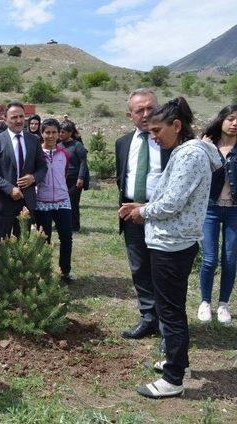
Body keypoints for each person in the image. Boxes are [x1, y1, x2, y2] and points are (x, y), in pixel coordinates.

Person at [120, 97, 222, 399]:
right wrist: (145, 205)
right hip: (174, 241)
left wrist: (143, 212)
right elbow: (173, 197)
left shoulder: (189, 155)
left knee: (170, 311)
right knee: (172, 307)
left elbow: (173, 202)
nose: (153, 137)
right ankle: (180, 363)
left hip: (171, 244)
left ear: (177, 126)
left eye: (157, 130)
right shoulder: (186, 151)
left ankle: (173, 379)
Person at [115, 88, 171, 341]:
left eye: (151, 108)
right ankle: (148, 318)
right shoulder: (123, 143)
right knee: (139, 268)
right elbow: (122, 177)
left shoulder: (171, 141)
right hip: (131, 215)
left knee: (163, 270)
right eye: (140, 110)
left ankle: (167, 324)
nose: (147, 114)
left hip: (162, 214)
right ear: (130, 115)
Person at [197, 104, 237, 325]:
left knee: (230, 259)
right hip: (210, 208)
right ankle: (205, 302)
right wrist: (202, 148)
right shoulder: (207, 144)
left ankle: (223, 304)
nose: (234, 123)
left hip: (235, 211)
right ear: (221, 120)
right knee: (210, 259)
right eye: (231, 118)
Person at [0, 101, 47, 242]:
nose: (19, 120)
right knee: (0, 247)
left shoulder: (34, 140)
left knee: (23, 246)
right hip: (2, 203)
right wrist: (9, 188)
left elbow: (43, 167)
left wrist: (33, 178)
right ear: (5, 119)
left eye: (21, 116)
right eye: (14, 117)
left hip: (26, 202)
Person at [36, 119, 75, 284]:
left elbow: (64, 174)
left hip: (62, 201)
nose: (50, 136)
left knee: (66, 237)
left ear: (59, 134)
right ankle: (43, 274)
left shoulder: (64, 153)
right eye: (47, 132)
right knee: (44, 240)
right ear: (42, 133)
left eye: (54, 132)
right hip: (42, 202)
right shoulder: (36, 154)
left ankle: (64, 272)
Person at [59, 120, 89, 232]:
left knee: (73, 202)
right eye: (59, 132)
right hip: (62, 179)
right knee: (61, 202)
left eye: (63, 132)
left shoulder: (77, 145)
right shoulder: (58, 145)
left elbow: (83, 162)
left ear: (70, 132)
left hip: (75, 179)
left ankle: (74, 227)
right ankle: (62, 225)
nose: (60, 134)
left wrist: (81, 178)